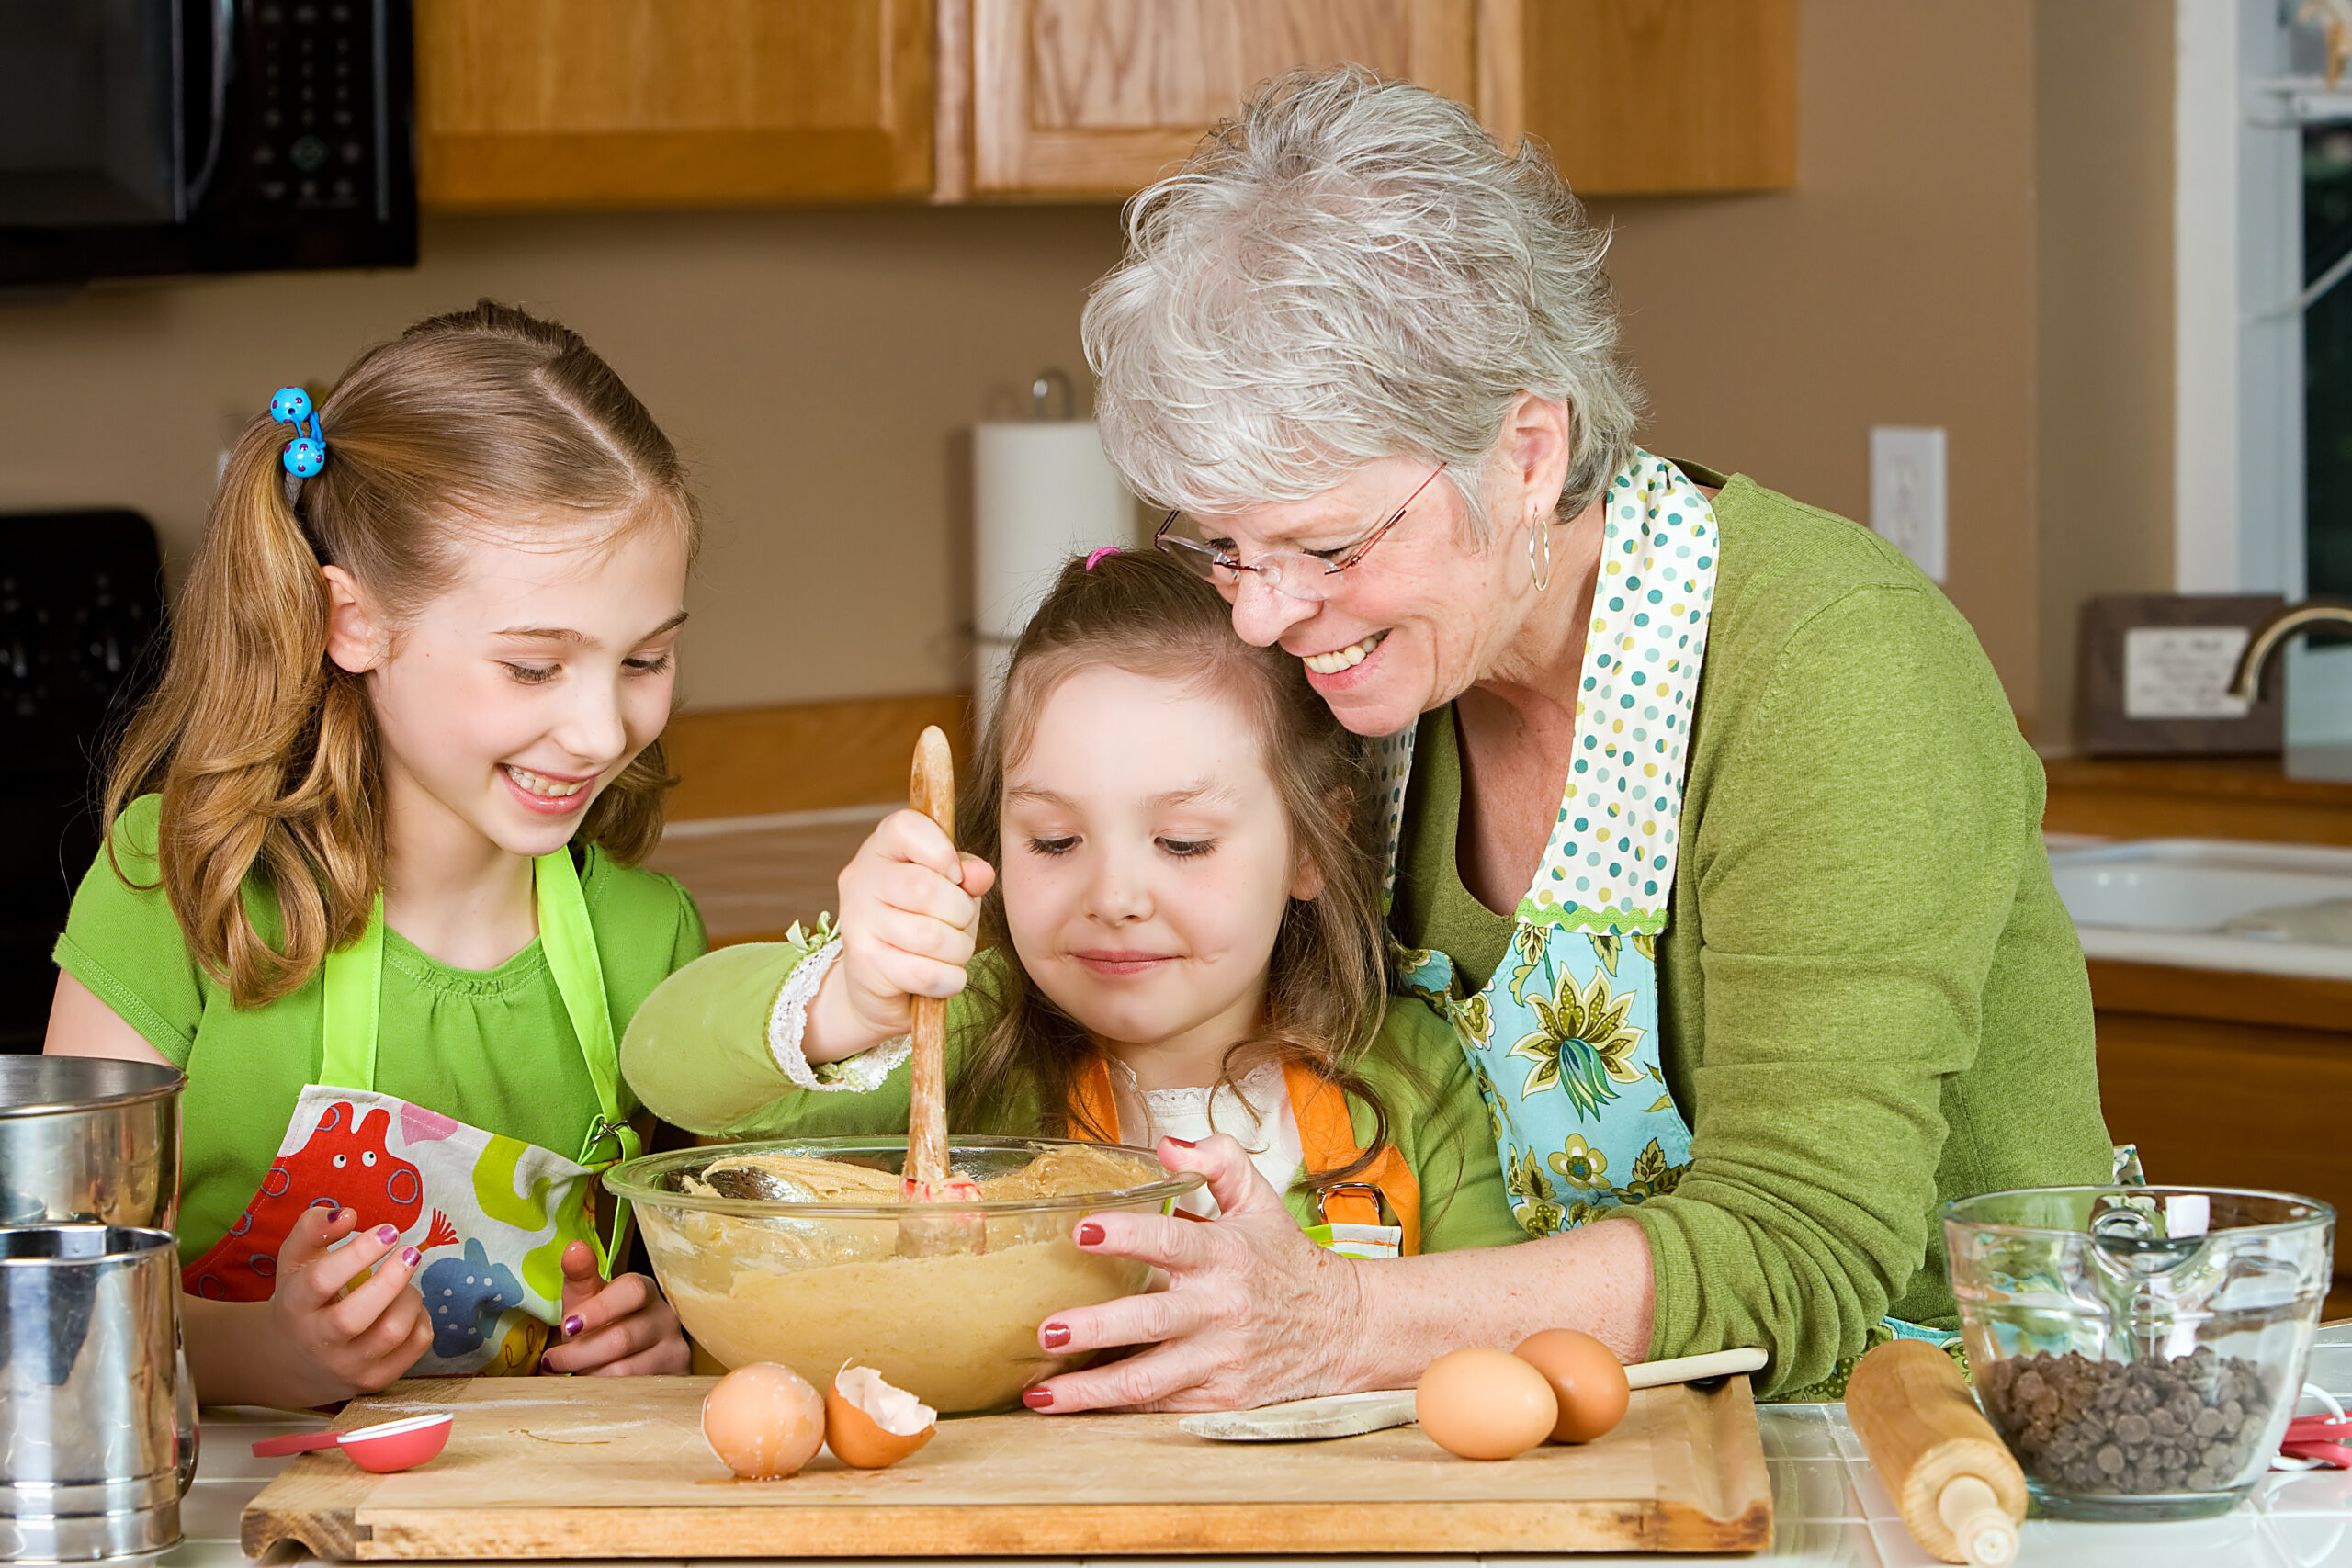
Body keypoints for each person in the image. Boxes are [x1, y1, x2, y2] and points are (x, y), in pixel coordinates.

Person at [1012, 66, 2116, 1411]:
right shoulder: (1368, 673)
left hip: (1931, 1429)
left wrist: (1342, 1315)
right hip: (1569, 1429)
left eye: (1327, 544)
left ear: (1529, 449)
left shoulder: (1834, 667)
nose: (1261, 611)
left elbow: (1809, 1244)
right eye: (1225, 545)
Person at [44, 302, 707, 1408]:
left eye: (644, 659)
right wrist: (275, 1354)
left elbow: (689, 1284)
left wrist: (656, 1338)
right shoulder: (177, 890)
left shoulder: (647, 938)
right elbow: (59, 1305)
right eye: (536, 669)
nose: (600, 731)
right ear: (351, 622)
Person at [621, 548, 1524, 1309]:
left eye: (1181, 842)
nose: (1113, 895)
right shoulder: (958, 1035)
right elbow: (663, 1068)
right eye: (1054, 840)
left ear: (1311, 847)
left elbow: (1486, 1318)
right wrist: (848, 1000)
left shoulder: (1407, 1074)